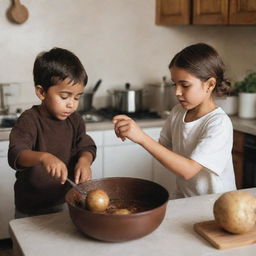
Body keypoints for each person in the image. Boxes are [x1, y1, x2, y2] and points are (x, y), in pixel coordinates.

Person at [113, 43, 237, 198]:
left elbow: (188, 170)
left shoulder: (218, 123)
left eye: (185, 85)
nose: (177, 92)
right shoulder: (178, 112)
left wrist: (142, 138)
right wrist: (134, 133)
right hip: (186, 198)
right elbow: (163, 150)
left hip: (216, 203)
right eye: (175, 84)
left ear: (210, 84)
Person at [8, 47, 96, 218]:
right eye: (64, 96)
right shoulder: (29, 120)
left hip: (64, 201)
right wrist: (44, 158)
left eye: (77, 97)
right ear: (41, 92)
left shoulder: (75, 120)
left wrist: (85, 161)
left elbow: (86, 145)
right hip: (30, 208)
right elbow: (16, 154)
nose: (72, 104)